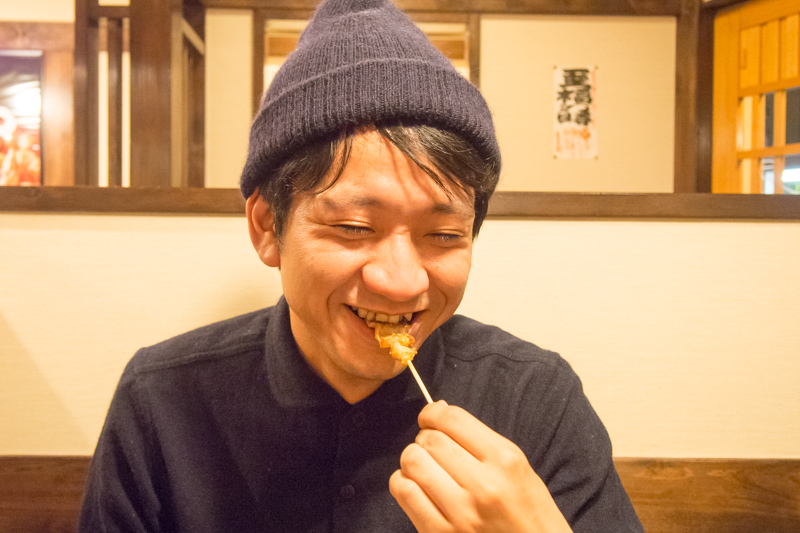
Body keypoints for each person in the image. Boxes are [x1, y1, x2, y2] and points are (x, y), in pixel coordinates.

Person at [79, 0, 644, 532]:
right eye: (354, 227)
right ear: (268, 226)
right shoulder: (162, 401)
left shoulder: (535, 399)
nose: (402, 282)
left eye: (443, 235)